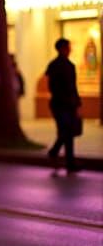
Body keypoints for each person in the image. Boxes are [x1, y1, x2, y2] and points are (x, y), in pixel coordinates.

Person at [45, 38, 82, 173]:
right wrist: (76, 103)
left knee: (66, 132)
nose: (70, 49)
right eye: (68, 47)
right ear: (62, 48)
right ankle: (62, 157)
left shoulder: (54, 65)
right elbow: (72, 87)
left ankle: (66, 160)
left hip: (60, 103)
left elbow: (53, 86)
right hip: (64, 104)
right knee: (67, 132)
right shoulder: (66, 66)